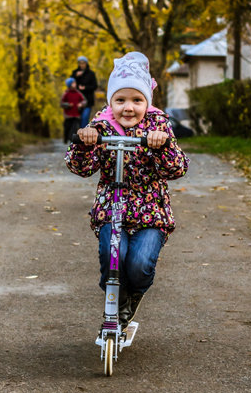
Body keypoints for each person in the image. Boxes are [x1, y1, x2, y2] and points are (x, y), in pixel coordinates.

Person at [65, 51, 189, 329]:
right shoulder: (101, 127)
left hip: (151, 213)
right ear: (111, 102)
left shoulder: (159, 127)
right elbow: (81, 167)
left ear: (148, 101)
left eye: (137, 100)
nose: (128, 108)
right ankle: (114, 299)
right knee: (113, 260)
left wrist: (163, 145)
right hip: (112, 210)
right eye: (120, 100)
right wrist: (85, 143)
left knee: (139, 264)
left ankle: (133, 295)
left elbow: (177, 169)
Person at [71, 55, 98, 127]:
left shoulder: (91, 74)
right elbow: (70, 85)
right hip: (76, 100)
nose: (82, 65)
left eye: (83, 63)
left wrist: (85, 88)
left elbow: (95, 86)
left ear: (86, 63)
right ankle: (75, 135)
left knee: (85, 118)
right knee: (76, 119)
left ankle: (83, 135)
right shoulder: (75, 73)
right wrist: (75, 76)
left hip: (87, 100)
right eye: (80, 63)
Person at [60, 78, 87, 143]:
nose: (75, 84)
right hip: (68, 115)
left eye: (75, 83)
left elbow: (84, 101)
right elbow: (62, 103)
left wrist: (81, 104)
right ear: (69, 85)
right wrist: (68, 105)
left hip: (76, 115)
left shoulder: (78, 93)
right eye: (73, 83)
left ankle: (71, 140)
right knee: (67, 127)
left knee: (74, 128)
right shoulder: (66, 93)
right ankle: (65, 139)